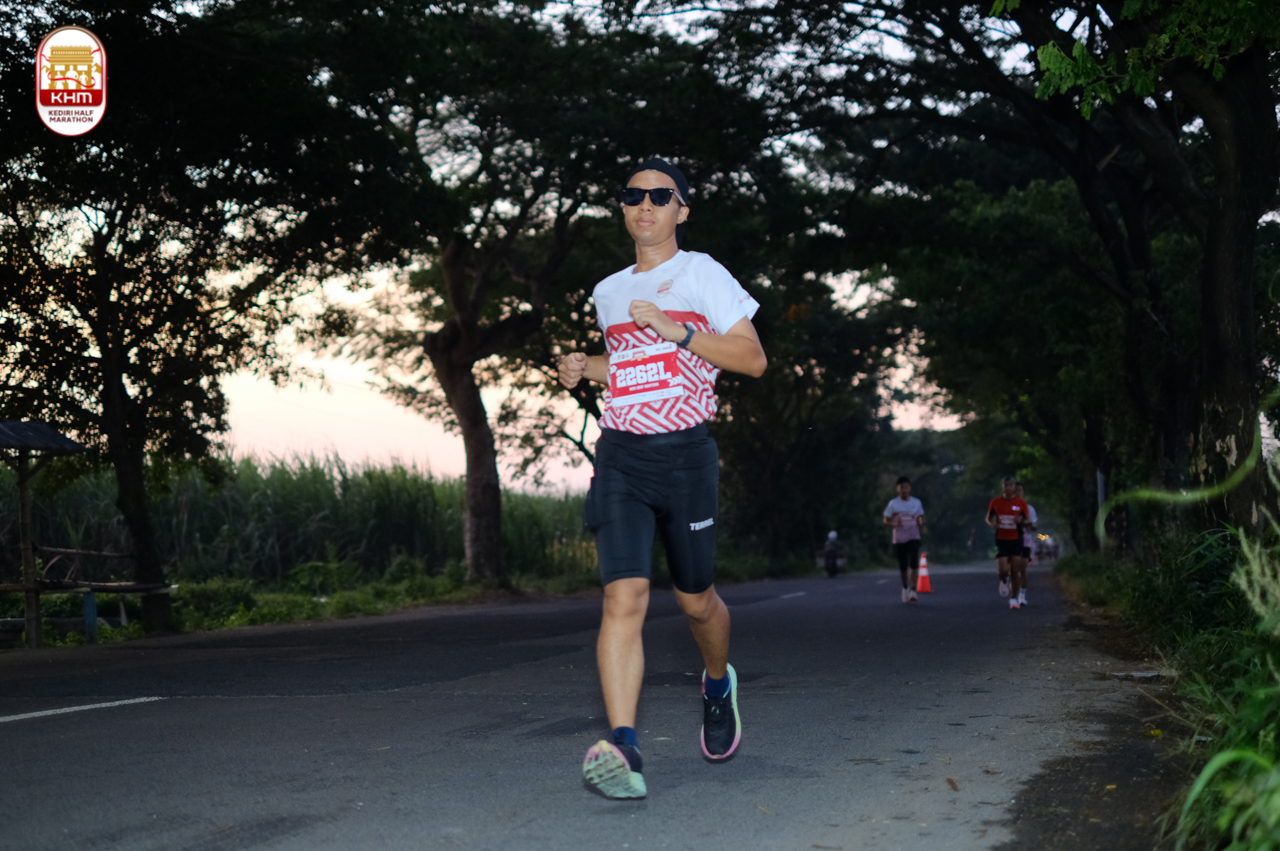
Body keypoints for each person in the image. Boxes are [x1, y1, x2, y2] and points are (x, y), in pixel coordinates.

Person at [557, 157, 767, 800]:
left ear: (682, 209)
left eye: (660, 195)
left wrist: (679, 331)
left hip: (686, 456)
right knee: (623, 597)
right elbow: (630, 368)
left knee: (696, 600)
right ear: (622, 208)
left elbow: (752, 358)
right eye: (633, 195)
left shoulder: (702, 273)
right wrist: (585, 367)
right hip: (622, 455)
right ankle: (624, 748)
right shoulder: (608, 291)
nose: (645, 204)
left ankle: (717, 683)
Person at [986, 476, 1032, 610]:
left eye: (1011, 485)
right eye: (1006, 485)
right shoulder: (995, 502)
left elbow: (1028, 520)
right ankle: (1004, 580)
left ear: (1014, 487)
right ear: (1002, 487)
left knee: (1015, 571)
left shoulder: (1021, 503)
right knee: (1003, 570)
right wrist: (992, 524)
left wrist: (1021, 520)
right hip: (1001, 540)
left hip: (1017, 540)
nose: (1008, 487)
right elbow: (988, 518)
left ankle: (1014, 598)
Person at [882, 476, 927, 603]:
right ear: (898, 489)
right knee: (903, 566)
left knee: (914, 563)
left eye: (906, 487)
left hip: (914, 536)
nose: (904, 490)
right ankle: (905, 587)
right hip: (899, 539)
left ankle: (913, 590)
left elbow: (921, 516)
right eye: (901, 487)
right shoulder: (893, 504)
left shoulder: (916, 502)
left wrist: (922, 526)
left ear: (910, 488)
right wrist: (894, 523)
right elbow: (886, 519)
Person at [1014, 482, 1038, 607]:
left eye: (1020, 490)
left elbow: (1034, 526)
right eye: (1016, 490)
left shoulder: (1029, 509)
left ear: (1023, 492)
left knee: (1022, 569)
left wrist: (1025, 523)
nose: (1018, 493)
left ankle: (1022, 596)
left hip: (1025, 542)